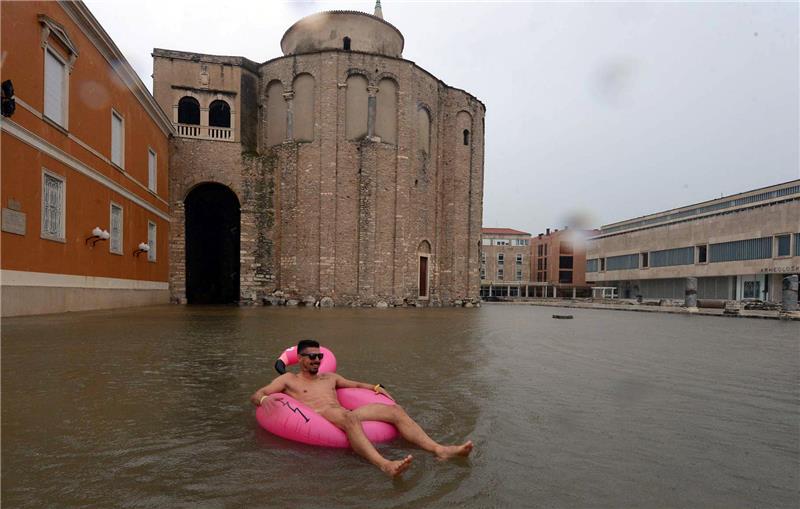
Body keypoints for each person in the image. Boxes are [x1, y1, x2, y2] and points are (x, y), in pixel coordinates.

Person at [251, 339, 473, 477]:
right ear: (299, 358)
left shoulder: (330, 377)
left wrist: (376, 387)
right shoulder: (289, 380)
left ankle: (439, 450)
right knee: (348, 418)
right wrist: (263, 401)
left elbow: (355, 385)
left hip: (343, 414)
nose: (317, 360)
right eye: (312, 356)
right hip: (321, 417)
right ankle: (385, 465)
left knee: (395, 411)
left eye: (319, 356)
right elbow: (257, 394)